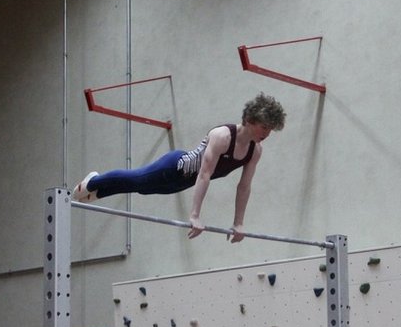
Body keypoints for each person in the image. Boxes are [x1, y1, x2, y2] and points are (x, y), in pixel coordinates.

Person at [72, 93, 286, 242]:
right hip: (174, 167)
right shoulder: (222, 136)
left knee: (141, 189)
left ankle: (99, 192)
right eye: (264, 127)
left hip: (182, 183)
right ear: (249, 119)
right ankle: (94, 181)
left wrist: (238, 223)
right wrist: (195, 215)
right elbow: (204, 174)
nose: (267, 134)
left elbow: (244, 187)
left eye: (271, 129)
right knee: (137, 179)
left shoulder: (255, 151)